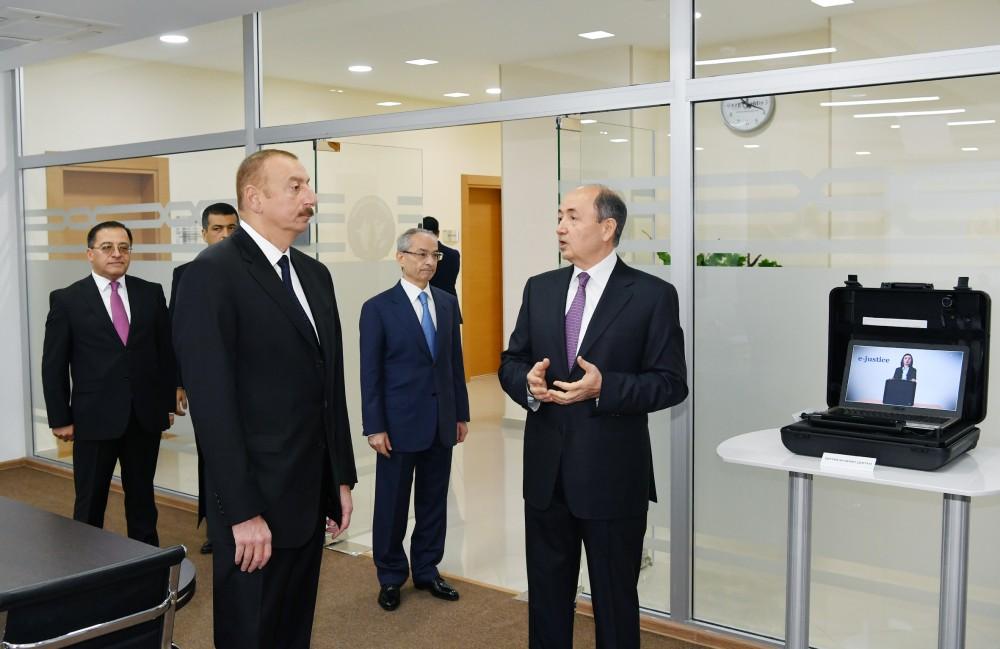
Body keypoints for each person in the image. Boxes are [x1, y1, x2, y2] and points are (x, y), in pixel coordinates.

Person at [172, 149, 357, 649]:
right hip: (254, 500)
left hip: (308, 492)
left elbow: (329, 388)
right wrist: (241, 512)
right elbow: (213, 407)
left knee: (293, 628)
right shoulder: (212, 274)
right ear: (254, 198)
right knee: (250, 631)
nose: (310, 197)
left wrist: (339, 478)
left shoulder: (315, 276)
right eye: (296, 186)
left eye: (308, 185)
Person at [498, 185, 688, 649]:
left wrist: (607, 387)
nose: (560, 227)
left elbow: (670, 382)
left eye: (572, 217)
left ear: (607, 228)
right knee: (546, 600)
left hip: (612, 478)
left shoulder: (651, 295)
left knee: (614, 602)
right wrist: (528, 383)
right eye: (559, 216)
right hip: (546, 477)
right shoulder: (540, 288)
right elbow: (511, 360)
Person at [41, 220, 176, 546]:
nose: (117, 254)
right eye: (107, 247)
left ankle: (147, 563)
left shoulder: (150, 293)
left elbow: (165, 352)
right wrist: (60, 417)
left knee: (143, 499)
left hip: (143, 416)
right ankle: (87, 566)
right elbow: (53, 364)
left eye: (123, 247)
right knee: (90, 500)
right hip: (93, 418)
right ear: (90, 254)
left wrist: (166, 403)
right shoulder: (68, 300)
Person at [360, 227, 470, 612]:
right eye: (421, 254)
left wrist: (460, 413)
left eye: (434, 255)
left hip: (441, 421)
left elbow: (453, 363)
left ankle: (426, 568)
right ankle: (391, 576)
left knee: (433, 501)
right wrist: (375, 425)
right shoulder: (378, 308)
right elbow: (370, 373)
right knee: (392, 504)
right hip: (397, 425)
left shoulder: (446, 302)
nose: (429, 262)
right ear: (401, 257)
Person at [168, 201, 239, 555]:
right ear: (204, 233)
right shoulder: (187, 274)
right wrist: (179, 381)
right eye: (217, 229)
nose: (225, 235)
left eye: (231, 229)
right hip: (206, 383)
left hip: (248, 383)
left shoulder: (255, 270)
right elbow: (178, 331)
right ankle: (217, 525)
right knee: (212, 453)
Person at [421, 216, 460, 296]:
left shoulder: (418, 255)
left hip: (428, 299)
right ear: (438, 233)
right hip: (450, 299)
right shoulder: (454, 255)